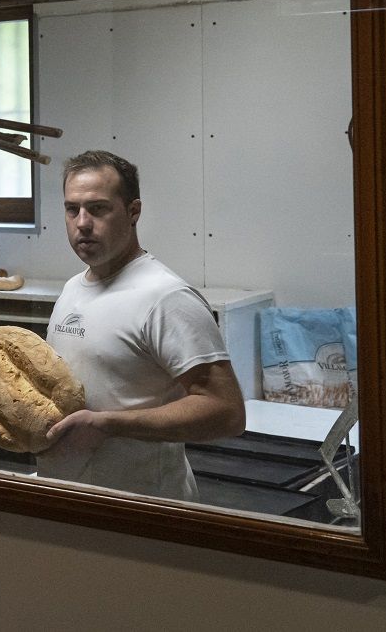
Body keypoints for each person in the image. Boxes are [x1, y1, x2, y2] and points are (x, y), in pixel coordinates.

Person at [38, 150, 245, 501]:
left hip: (143, 507)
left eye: (98, 208)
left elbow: (225, 412)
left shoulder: (165, 297)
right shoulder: (74, 288)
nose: (82, 222)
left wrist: (107, 425)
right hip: (67, 496)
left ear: (133, 211)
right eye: (72, 209)